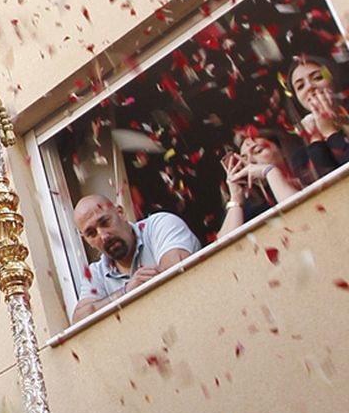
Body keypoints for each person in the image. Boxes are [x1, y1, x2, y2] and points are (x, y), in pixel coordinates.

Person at [70, 192, 199, 324]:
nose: (103, 236)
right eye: (91, 233)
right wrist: (125, 292)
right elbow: (79, 320)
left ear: (120, 213)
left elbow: (175, 273)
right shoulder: (96, 273)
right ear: (87, 241)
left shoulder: (159, 226)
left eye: (105, 222)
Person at [216, 130, 304, 238]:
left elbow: (302, 213)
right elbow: (224, 247)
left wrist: (270, 171)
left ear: (282, 150)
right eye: (244, 158)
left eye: (258, 151)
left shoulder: (306, 176)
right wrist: (236, 200)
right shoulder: (250, 205)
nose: (251, 161)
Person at [287, 54, 349, 183]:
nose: (310, 87)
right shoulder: (301, 154)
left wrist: (330, 132)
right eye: (300, 86)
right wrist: (316, 139)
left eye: (318, 77)